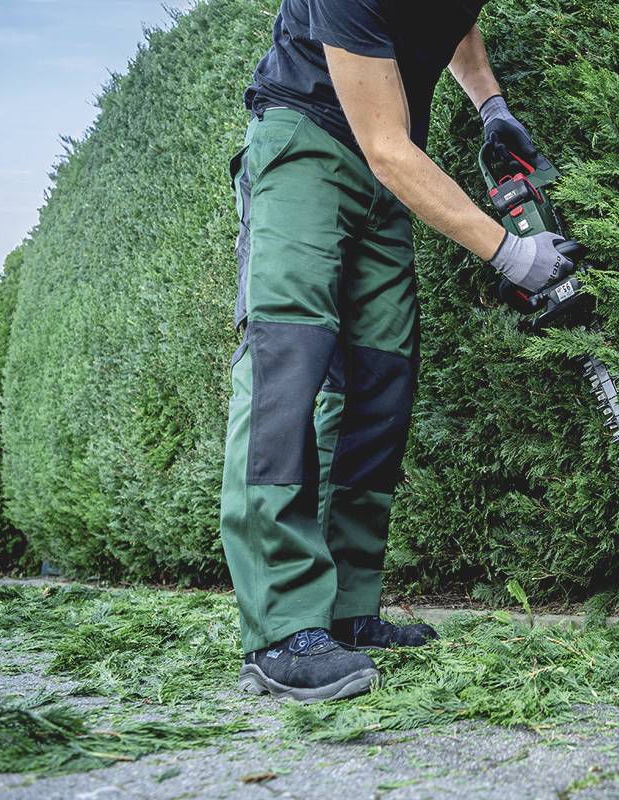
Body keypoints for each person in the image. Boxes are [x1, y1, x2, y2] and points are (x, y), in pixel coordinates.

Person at [220, 0, 574, 702]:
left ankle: (347, 613)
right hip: (306, 141)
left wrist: (491, 105)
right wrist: (510, 254)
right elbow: (386, 146)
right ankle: (281, 629)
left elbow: (456, 24)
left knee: (382, 382)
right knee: (287, 364)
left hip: (389, 161)